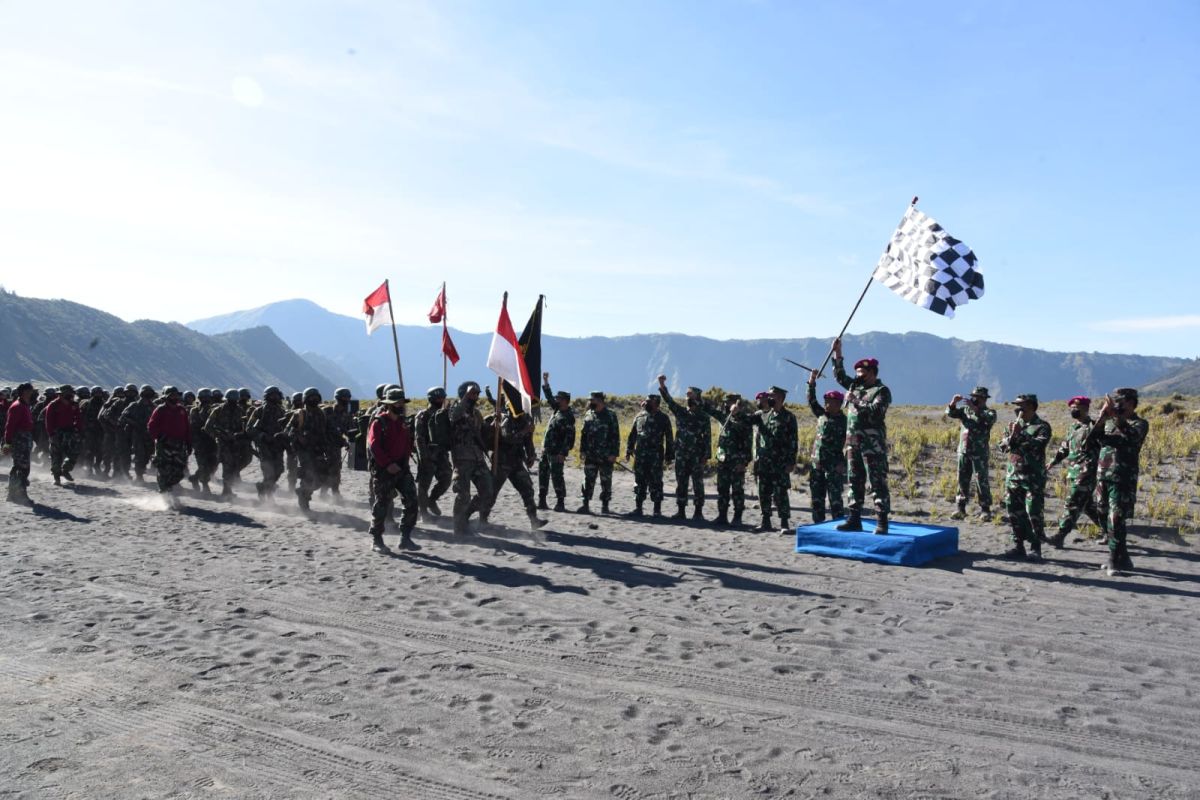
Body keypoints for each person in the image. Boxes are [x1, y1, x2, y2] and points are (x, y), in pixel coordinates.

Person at [1087, 388, 1149, 576]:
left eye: (1121, 402)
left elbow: (1132, 437)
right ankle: (1124, 557)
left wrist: (1117, 418)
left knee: (1116, 519)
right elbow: (1090, 442)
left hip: (1122, 478)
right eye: (1115, 402)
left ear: (1131, 403)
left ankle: (1114, 560)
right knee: (1103, 515)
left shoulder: (1139, 423)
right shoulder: (1109, 424)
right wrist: (1101, 419)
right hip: (1103, 476)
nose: (1117, 405)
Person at [832, 339, 892, 534]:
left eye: (862, 374)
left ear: (872, 373)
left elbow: (875, 411)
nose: (858, 377)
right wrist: (838, 354)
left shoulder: (881, 391)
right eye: (857, 373)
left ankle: (882, 522)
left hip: (872, 445)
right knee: (854, 481)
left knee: (877, 483)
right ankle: (854, 518)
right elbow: (840, 376)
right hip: (853, 443)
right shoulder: (855, 387)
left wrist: (855, 401)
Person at [480, 389, 549, 531]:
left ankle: (533, 520)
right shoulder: (506, 419)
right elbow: (508, 438)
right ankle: (481, 518)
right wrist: (525, 431)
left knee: (527, 489)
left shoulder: (525, 419)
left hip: (516, 461)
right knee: (491, 492)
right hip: (501, 462)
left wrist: (531, 455)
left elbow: (527, 441)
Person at [998, 393, 1052, 561]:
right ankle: (1018, 545)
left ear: (1030, 406)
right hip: (1013, 476)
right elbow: (1003, 447)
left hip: (1032, 478)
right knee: (1014, 512)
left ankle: (1036, 547)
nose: (1017, 408)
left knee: (1033, 512)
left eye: (1020, 405)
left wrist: (1021, 434)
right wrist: (1011, 436)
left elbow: (1037, 445)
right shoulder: (1014, 425)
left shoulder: (1042, 426)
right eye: (1016, 405)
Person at [367, 388, 420, 554]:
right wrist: (388, 464)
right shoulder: (379, 422)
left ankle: (405, 537)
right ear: (389, 405)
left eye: (402, 403)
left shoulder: (403, 423)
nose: (400, 406)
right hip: (384, 470)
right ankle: (377, 539)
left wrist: (406, 458)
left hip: (402, 468)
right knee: (382, 504)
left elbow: (408, 443)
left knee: (412, 500)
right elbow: (373, 446)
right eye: (397, 403)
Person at [1046, 396, 1104, 547]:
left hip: (1087, 472)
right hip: (1074, 470)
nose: (1073, 409)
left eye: (1077, 407)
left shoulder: (1093, 426)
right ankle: (1110, 531)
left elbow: (1102, 426)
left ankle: (1060, 535)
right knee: (1087, 506)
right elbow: (1065, 448)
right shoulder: (1073, 428)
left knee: (1073, 502)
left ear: (1085, 408)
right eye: (1071, 407)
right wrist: (1053, 461)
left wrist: (1104, 413)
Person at [657, 377, 712, 521]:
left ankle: (698, 512)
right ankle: (681, 511)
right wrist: (662, 385)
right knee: (681, 483)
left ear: (697, 396)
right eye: (687, 394)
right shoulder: (681, 412)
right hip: (681, 454)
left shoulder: (703, 417)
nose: (687, 396)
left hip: (696, 456)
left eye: (690, 394)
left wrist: (706, 455)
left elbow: (707, 437)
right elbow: (669, 400)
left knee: (697, 484)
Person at [751, 385, 798, 533]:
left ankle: (784, 523)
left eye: (773, 396)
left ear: (781, 398)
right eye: (768, 395)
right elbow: (746, 421)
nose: (769, 398)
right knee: (763, 491)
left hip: (780, 462)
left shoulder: (789, 417)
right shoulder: (763, 415)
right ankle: (765, 521)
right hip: (764, 461)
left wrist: (791, 461)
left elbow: (793, 441)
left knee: (781, 493)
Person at [448, 381, 494, 534]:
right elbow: (453, 418)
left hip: (478, 458)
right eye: (473, 393)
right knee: (463, 495)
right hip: (462, 459)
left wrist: (495, 422)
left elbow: (483, 432)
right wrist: (464, 398)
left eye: (477, 394)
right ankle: (459, 528)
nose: (475, 396)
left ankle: (466, 515)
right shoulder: (456, 408)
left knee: (488, 491)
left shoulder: (476, 414)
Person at [702, 393, 753, 527]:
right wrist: (698, 399)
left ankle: (737, 517)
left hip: (737, 461)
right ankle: (722, 515)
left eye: (728, 403)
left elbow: (748, 443)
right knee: (722, 489)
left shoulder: (745, 420)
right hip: (723, 460)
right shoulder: (723, 416)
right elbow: (709, 410)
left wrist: (744, 462)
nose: (725, 405)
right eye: (724, 402)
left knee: (737, 490)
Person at [946, 387, 997, 521]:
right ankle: (960, 508)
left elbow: (988, 420)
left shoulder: (989, 413)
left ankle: (985, 510)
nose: (975, 399)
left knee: (981, 480)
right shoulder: (965, 411)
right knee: (962, 479)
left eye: (978, 397)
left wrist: (975, 409)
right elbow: (950, 413)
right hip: (963, 450)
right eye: (974, 396)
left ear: (984, 399)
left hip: (979, 453)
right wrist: (953, 402)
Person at [806, 371, 847, 524]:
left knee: (835, 499)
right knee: (817, 498)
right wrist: (811, 382)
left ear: (838, 404)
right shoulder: (822, 415)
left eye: (830, 401)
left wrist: (843, 464)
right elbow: (811, 401)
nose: (826, 404)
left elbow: (849, 443)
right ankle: (818, 524)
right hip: (817, 464)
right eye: (825, 401)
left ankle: (838, 524)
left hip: (833, 465)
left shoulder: (845, 421)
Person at [625, 393, 674, 517]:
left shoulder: (663, 418)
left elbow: (669, 438)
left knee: (656, 482)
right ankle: (638, 508)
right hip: (640, 455)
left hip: (656, 457)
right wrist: (629, 449)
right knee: (639, 481)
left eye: (649, 402)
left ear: (656, 403)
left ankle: (657, 510)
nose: (645, 403)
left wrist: (669, 456)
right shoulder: (639, 416)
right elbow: (633, 434)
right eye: (645, 401)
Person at [286, 387, 329, 514]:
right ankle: (304, 499)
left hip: (317, 450)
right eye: (311, 398)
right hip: (303, 451)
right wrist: (299, 437)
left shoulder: (321, 414)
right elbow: (288, 431)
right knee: (308, 474)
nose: (314, 400)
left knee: (322, 477)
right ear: (305, 399)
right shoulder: (300, 414)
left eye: (316, 397)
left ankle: (303, 492)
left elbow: (324, 432)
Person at [537, 373, 575, 512]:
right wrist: (545, 381)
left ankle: (560, 502)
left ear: (565, 401)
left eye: (559, 399)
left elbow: (569, 437)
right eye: (557, 398)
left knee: (557, 476)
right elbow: (548, 396)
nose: (557, 400)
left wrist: (563, 453)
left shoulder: (568, 417)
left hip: (557, 452)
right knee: (543, 474)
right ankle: (542, 500)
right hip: (546, 449)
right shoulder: (557, 410)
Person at [147, 386, 192, 506]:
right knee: (163, 469)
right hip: (164, 445)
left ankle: (169, 487)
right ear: (166, 397)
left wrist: (188, 443)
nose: (174, 397)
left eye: (176, 395)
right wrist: (160, 437)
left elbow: (187, 427)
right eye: (172, 395)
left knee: (179, 471)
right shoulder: (160, 409)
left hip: (180, 444)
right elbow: (151, 426)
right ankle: (164, 494)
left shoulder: (182, 410)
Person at [578, 391, 620, 513]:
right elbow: (583, 435)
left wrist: (614, 454)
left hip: (606, 456)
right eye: (590, 400)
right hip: (590, 455)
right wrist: (582, 450)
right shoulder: (588, 414)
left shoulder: (611, 415)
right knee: (588, 480)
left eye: (592, 400)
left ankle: (605, 506)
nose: (590, 402)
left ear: (600, 400)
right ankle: (585, 504)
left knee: (606, 481)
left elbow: (615, 436)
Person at [415, 386, 453, 519]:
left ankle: (432, 500)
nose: (440, 400)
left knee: (447, 479)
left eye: (442, 398)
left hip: (441, 453)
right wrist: (423, 456)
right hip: (428, 453)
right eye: (437, 398)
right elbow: (419, 437)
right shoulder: (423, 415)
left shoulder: (444, 414)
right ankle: (423, 511)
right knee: (424, 484)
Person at [246, 386, 289, 501]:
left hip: (278, 446)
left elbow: (286, 427)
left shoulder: (282, 411)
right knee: (268, 471)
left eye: (276, 395)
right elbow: (249, 428)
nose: (275, 397)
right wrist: (263, 436)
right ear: (267, 396)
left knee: (279, 470)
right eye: (272, 395)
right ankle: (268, 496)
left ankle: (262, 487)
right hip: (264, 445)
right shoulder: (260, 411)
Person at [204, 388, 247, 497]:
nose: (233, 401)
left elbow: (242, 427)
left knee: (233, 466)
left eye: (235, 399)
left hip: (234, 443)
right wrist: (218, 436)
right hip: (222, 443)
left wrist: (238, 435)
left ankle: (227, 489)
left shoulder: (239, 410)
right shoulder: (218, 410)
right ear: (227, 399)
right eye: (231, 399)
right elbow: (208, 427)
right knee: (220, 465)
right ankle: (207, 483)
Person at [3, 382, 36, 505]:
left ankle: (13, 494)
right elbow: (10, 426)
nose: (31, 393)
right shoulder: (17, 406)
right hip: (19, 440)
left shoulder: (25, 405)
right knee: (21, 467)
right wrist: (7, 443)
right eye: (29, 391)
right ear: (24, 392)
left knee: (22, 467)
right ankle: (20, 495)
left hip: (25, 439)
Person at [45, 385, 83, 485]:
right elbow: (48, 421)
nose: (70, 397)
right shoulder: (53, 405)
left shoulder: (74, 405)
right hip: (56, 433)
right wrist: (51, 434)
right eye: (67, 395)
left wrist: (78, 430)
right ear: (60, 395)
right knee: (56, 455)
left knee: (74, 452)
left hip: (70, 432)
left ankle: (66, 470)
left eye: (71, 395)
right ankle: (56, 477)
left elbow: (78, 418)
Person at [322, 388, 356, 501]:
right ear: (337, 398)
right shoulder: (327, 411)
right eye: (344, 398)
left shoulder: (346, 414)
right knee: (327, 469)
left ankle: (334, 493)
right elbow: (319, 427)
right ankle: (324, 492)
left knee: (336, 470)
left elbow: (350, 431)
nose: (346, 400)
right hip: (324, 445)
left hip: (336, 446)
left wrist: (350, 441)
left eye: (348, 398)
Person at [120, 385, 158, 481]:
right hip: (137, 434)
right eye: (146, 393)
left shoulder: (154, 407)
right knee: (139, 455)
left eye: (149, 393)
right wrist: (134, 423)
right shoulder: (134, 405)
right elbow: (123, 417)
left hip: (149, 435)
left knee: (148, 455)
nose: (147, 395)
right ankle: (139, 475)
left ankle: (141, 470)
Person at [188, 389, 218, 494]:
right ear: (199, 398)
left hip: (212, 441)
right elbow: (194, 426)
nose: (206, 400)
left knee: (213, 465)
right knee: (203, 465)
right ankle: (205, 485)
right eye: (203, 397)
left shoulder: (214, 409)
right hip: (200, 442)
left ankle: (195, 478)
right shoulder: (195, 410)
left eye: (207, 397)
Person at [99, 386, 131, 479]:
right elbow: (103, 417)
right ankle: (108, 470)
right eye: (119, 393)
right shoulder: (114, 402)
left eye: (122, 393)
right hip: (112, 431)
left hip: (124, 432)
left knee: (124, 453)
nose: (120, 395)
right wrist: (113, 427)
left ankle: (121, 472)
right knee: (109, 452)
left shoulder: (131, 403)